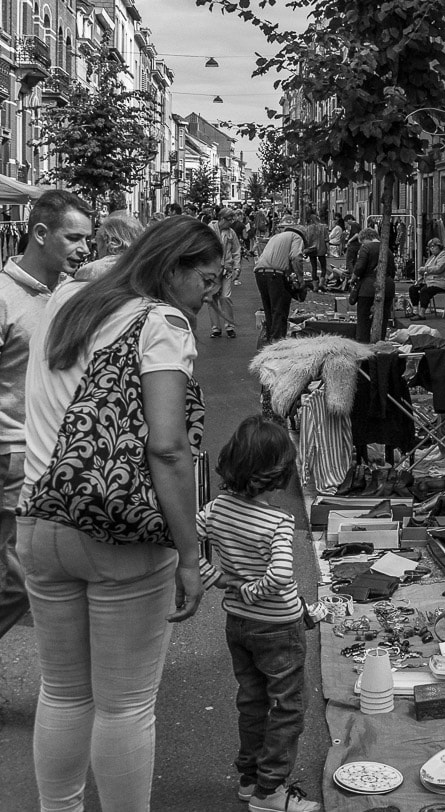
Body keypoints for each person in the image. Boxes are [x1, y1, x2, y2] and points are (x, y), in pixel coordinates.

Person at [15, 215, 220, 811]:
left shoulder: (70, 301)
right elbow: (168, 445)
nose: (210, 292)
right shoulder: (161, 323)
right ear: (172, 267)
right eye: (205, 278)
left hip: (40, 517)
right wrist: (189, 553)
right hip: (116, 528)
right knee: (126, 703)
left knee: (63, 692)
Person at [197, 417, 319, 812]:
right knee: (287, 707)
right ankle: (271, 791)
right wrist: (255, 590)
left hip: (238, 624)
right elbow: (282, 574)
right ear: (280, 473)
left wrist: (214, 577)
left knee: (251, 701)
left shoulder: (215, 510)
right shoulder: (277, 522)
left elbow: (178, 539)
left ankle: (249, 779)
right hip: (278, 627)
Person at [0, 190, 92, 641]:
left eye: (87, 239)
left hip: (52, 457)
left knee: (37, 571)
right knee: (20, 576)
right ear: (40, 234)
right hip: (12, 453)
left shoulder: (65, 296)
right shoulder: (3, 298)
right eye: (74, 237)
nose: (85, 248)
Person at [254, 223, 308, 346]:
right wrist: (300, 278)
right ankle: (277, 343)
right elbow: (296, 257)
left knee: (269, 309)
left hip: (260, 273)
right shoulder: (296, 237)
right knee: (279, 309)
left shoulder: (276, 237)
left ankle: (269, 340)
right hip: (275, 274)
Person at [349, 226, 396, 343]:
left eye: (362, 242)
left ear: (366, 238)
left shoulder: (366, 248)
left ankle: (363, 345)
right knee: (383, 319)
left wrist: (353, 278)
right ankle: (379, 342)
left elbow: (359, 268)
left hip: (368, 288)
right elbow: (393, 270)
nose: (361, 245)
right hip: (388, 287)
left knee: (364, 320)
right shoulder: (387, 250)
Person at [76, 211, 144, 282]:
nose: (97, 250)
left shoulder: (88, 272)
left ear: (107, 241)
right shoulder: (146, 268)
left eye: (97, 243)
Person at [210, 208, 242, 339]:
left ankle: (229, 326)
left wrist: (237, 267)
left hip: (227, 269)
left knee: (225, 297)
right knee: (212, 298)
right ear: (222, 219)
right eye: (230, 220)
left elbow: (236, 250)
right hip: (212, 270)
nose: (232, 222)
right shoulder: (210, 231)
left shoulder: (231, 233)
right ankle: (216, 328)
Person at [410, 237, 445, 317]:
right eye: (430, 247)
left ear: (439, 247)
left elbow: (438, 269)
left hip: (442, 282)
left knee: (425, 291)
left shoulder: (444, 257)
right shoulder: (432, 257)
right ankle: (415, 310)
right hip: (432, 281)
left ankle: (422, 313)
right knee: (413, 288)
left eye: (434, 247)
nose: (432, 249)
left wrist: (425, 269)